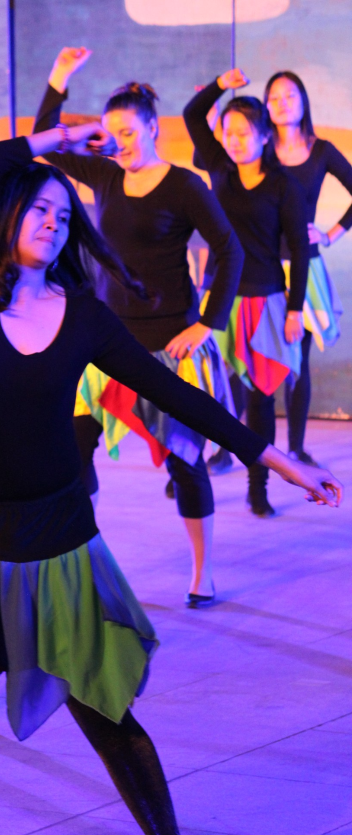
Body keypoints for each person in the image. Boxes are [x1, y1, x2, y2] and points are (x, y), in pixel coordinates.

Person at [0, 127, 342, 835]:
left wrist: (270, 456)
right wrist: (50, 139)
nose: (52, 224)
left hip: (59, 544)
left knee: (106, 714)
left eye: (64, 217)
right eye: (38, 208)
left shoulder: (84, 316)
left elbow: (176, 397)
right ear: (3, 213)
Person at [33, 47, 245, 607]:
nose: (121, 143)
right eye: (113, 134)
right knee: (74, 454)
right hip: (103, 343)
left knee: (184, 460)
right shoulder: (102, 174)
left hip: (169, 344)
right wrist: (58, 81)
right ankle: (79, 564)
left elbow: (229, 249)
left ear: (153, 128)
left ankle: (203, 573)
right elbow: (42, 140)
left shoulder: (182, 185)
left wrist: (208, 323)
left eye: (130, 132)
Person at [184, 70, 310, 517]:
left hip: (268, 300)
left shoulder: (283, 186)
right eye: (228, 132)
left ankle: (258, 485)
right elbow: (192, 114)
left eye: (243, 133)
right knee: (211, 392)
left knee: (261, 398)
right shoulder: (219, 168)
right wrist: (220, 83)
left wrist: (295, 310)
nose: (234, 140)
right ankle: (192, 469)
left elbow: (299, 248)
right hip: (218, 299)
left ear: (263, 137)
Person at [265, 70, 352, 464]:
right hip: (259, 267)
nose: (283, 103)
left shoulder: (322, 150)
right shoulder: (259, 146)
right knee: (251, 363)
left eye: (290, 96)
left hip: (304, 266)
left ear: (303, 102)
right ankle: (229, 447)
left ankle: (296, 447)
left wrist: (331, 234)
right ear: (266, 106)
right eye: (274, 97)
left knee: (297, 362)